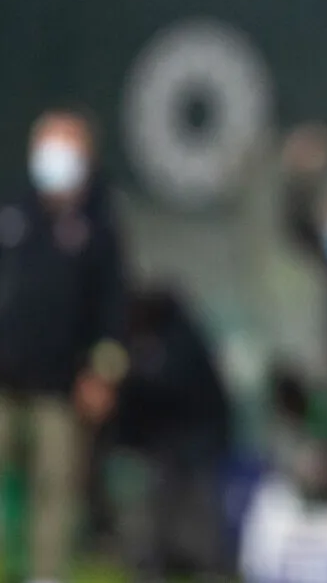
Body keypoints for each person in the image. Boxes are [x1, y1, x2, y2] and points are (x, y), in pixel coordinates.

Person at [0, 109, 129, 583]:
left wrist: (103, 372)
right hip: (4, 374)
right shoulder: (12, 211)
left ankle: (44, 575)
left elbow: (114, 309)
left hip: (60, 383)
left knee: (54, 489)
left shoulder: (100, 224)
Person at [108, 283, 233, 579]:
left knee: (194, 502)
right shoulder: (146, 339)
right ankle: (157, 562)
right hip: (165, 439)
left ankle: (204, 564)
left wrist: (133, 378)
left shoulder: (181, 339)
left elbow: (172, 384)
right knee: (159, 500)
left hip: (196, 435)